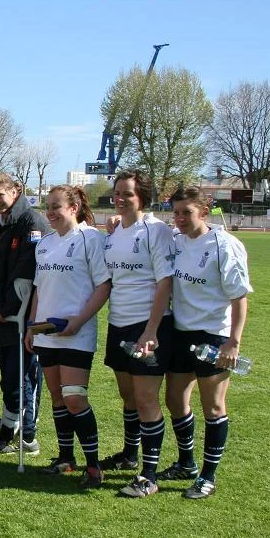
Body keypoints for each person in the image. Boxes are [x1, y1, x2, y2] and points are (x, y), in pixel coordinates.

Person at [158, 186, 252, 500]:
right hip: (180, 332)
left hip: (213, 335)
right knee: (174, 399)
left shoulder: (225, 245)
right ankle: (186, 463)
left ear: (204, 212)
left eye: (187, 212)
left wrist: (233, 342)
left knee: (213, 406)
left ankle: (208, 476)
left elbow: (239, 298)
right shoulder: (176, 240)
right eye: (176, 212)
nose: (180, 218)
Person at [26, 185, 112, 488]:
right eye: (47, 206)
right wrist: (32, 326)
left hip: (76, 334)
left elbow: (104, 286)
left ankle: (94, 466)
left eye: (56, 206)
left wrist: (79, 321)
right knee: (58, 397)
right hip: (47, 334)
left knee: (75, 398)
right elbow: (39, 288)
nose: (50, 212)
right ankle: (66, 458)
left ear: (73, 208)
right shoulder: (45, 243)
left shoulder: (91, 239)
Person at [97, 171, 176, 497]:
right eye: (117, 192)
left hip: (147, 326)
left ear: (142, 196)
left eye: (127, 193)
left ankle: (149, 474)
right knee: (128, 396)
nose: (120, 198)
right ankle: (129, 455)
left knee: (146, 400)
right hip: (119, 324)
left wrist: (151, 330)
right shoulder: (115, 231)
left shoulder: (156, 231)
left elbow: (165, 283)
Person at [0, 172, 48, 454]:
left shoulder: (31, 221)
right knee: (10, 377)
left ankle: (27, 435)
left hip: (24, 313)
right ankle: (9, 430)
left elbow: (26, 270)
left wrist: (5, 309)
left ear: (15, 191)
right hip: (1, 312)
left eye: (0, 195)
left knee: (23, 376)